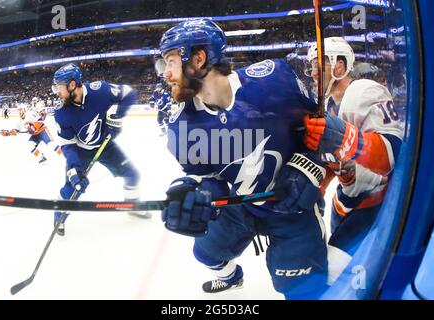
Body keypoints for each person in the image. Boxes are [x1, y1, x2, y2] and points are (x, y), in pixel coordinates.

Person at [157, 19, 328, 299]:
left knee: (305, 292)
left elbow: (324, 130)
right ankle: (233, 277)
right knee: (205, 253)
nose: (165, 73)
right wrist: (194, 195)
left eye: (171, 61)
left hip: (292, 209)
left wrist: (309, 167)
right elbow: (208, 178)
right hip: (241, 206)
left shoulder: (275, 80)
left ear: (198, 59)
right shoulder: (180, 126)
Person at [303, 37, 404, 282]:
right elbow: (328, 162)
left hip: (379, 203)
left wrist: (345, 139)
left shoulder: (364, 91)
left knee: (333, 276)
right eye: (311, 66)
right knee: (336, 276)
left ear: (339, 66)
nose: (313, 73)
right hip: (345, 202)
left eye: (319, 64)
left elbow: (393, 153)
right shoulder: (326, 105)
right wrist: (311, 186)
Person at [51, 63, 150, 236]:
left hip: (105, 145)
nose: (57, 92)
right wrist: (74, 168)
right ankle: (59, 216)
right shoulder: (61, 112)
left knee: (131, 174)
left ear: (72, 85)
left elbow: (128, 94)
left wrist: (118, 116)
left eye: (59, 87)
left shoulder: (100, 91)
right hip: (80, 152)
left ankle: (132, 203)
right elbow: (67, 144)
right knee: (72, 188)